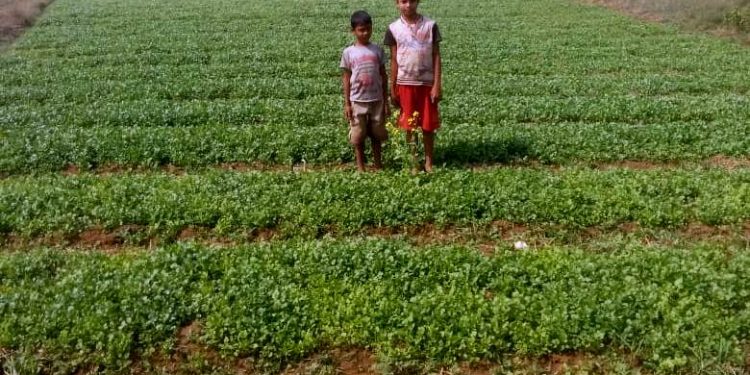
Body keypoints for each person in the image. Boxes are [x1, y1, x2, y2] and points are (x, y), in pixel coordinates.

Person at [384, 0, 442, 172]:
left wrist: (437, 84)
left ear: (418, 2)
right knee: (409, 125)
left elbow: (437, 56)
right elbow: (393, 59)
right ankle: (414, 162)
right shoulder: (393, 28)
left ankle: (429, 162)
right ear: (397, 3)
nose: (408, 5)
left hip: (427, 83)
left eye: (412, 1)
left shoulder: (430, 26)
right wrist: (392, 86)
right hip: (405, 82)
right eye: (403, 1)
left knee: (427, 125)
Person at [340, 10, 390, 172]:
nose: (365, 32)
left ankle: (378, 164)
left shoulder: (377, 50)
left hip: (376, 100)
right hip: (357, 100)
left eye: (368, 28)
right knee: (358, 134)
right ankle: (361, 167)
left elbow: (384, 76)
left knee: (377, 133)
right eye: (361, 29)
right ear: (353, 31)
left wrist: (386, 101)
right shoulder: (348, 53)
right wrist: (347, 103)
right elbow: (346, 78)